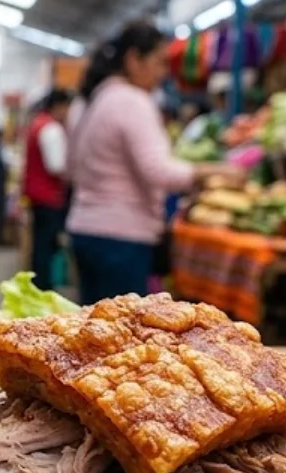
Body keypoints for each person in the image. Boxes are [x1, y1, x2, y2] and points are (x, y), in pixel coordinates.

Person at [67, 21, 240, 304]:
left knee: (95, 331)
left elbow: (70, 169)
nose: (163, 74)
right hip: (121, 236)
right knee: (121, 335)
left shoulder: (94, 99)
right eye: (160, 63)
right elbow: (158, 170)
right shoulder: (131, 101)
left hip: (86, 230)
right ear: (134, 59)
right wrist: (215, 171)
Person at [22, 89, 73, 290]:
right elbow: (56, 165)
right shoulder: (51, 128)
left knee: (40, 246)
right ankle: (42, 288)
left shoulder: (37, 124)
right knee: (46, 247)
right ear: (59, 106)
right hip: (48, 198)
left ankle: (38, 286)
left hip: (37, 196)